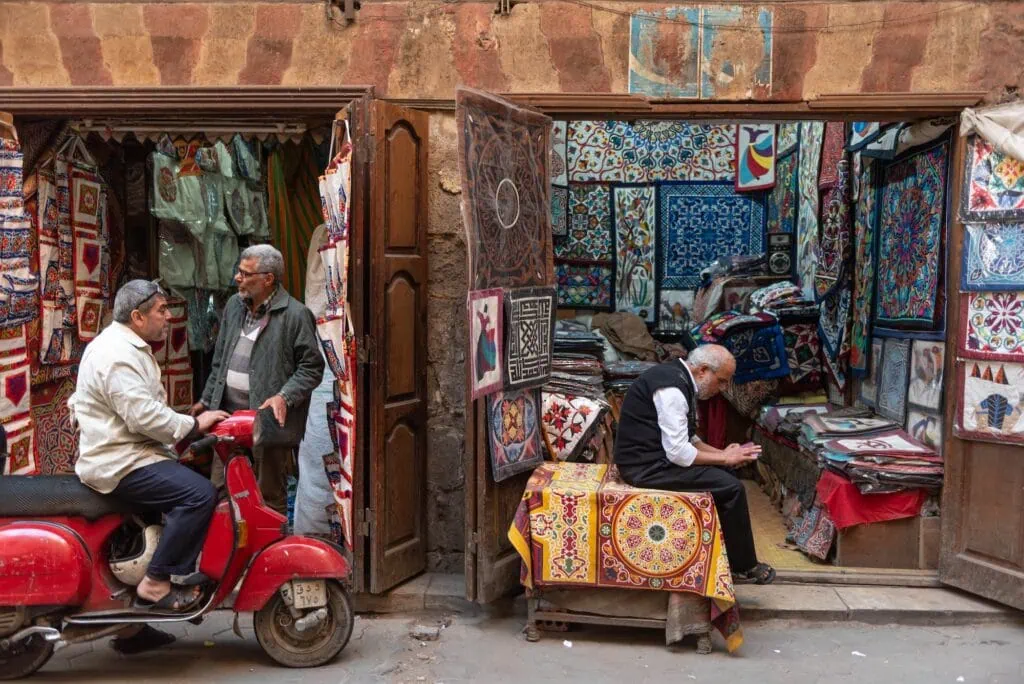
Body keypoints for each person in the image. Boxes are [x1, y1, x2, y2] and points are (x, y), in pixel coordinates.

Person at [70, 280, 230, 613]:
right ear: (138, 317)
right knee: (199, 494)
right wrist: (192, 424)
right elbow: (142, 417)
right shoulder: (117, 355)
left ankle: (132, 628)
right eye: (161, 309)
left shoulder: (124, 345)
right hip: (120, 463)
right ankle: (157, 582)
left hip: (130, 454)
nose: (168, 317)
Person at [613, 344, 776, 585]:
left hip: (655, 459)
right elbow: (679, 452)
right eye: (720, 381)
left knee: (724, 474)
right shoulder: (672, 388)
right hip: (644, 467)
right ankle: (743, 565)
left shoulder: (680, 379)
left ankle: (721, 554)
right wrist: (724, 458)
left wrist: (723, 455)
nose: (721, 389)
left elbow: (689, 440)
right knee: (732, 488)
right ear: (703, 371)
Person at [190, 244, 324, 514]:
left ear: (268, 279)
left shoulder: (295, 315)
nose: (237, 278)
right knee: (222, 490)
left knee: (266, 497)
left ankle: (266, 555)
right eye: (238, 271)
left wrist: (283, 396)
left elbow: (312, 367)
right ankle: (231, 553)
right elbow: (220, 359)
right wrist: (206, 399)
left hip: (267, 424)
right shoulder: (233, 307)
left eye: (245, 273)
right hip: (227, 419)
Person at [293, 224, 339, 537]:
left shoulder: (325, 233)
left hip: (329, 350)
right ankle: (313, 541)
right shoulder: (325, 234)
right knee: (318, 455)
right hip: (326, 349)